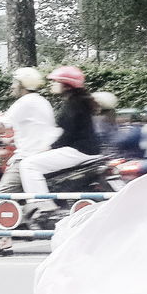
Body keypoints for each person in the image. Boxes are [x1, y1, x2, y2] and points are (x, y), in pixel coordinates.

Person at [0, 68, 59, 258]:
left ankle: (4, 242)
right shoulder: (41, 101)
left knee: (2, 193)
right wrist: (10, 141)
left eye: (15, 82)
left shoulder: (25, 102)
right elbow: (33, 129)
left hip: (27, 157)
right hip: (38, 152)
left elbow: (1, 124)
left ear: (22, 85)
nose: (12, 86)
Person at [19, 66, 102, 224]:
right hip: (86, 150)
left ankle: (42, 206)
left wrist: (48, 148)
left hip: (78, 151)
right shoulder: (78, 102)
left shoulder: (72, 105)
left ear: (66, 84)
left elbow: (67, 134)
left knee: (28, 165)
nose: (52, 84)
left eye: (56, 81)